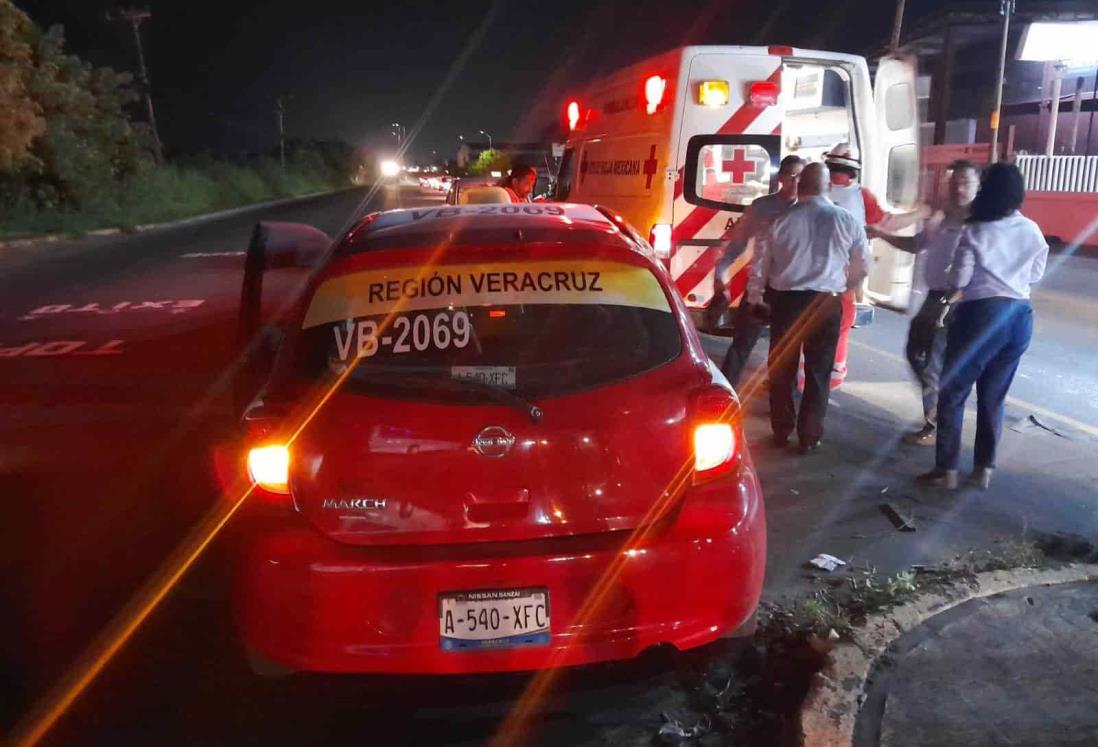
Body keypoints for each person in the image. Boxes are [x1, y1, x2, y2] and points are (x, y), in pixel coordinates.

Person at [918, 163, 1048, 490]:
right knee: (993, 396)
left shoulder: (975, 230)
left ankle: (946, 469)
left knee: (953, 391)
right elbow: (1035, 275)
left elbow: (959, 279)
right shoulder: (1031, 229)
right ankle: (983, 469)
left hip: (982, 315)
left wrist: (951, 283)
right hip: (1020, 317)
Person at [748, 162, 872, 454]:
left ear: (800, 186)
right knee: (819, 371)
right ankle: (810, 436)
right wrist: (845, 285)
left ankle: (781, 430)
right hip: (826, 303)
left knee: (782, 369)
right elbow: (863, 264)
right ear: (827, 187)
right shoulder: (847, 220)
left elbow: (761, 267)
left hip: (786, 302)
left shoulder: (778, 221)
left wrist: (756, 299)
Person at [869, 160, 981, 445]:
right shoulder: (942, 216)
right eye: (955, 181)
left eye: (966, 182)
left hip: (959, 300)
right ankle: (936, 415)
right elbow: (917, 245)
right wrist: (882, 235)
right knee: (916, 351)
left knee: (932, 359)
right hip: (935, 297)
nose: (959, 187)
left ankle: (936, 423)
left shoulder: (981, 220)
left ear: (978, 184)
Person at [823, 143, 927, 389]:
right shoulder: (861, 196)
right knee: (840, 325)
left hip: (809, 278)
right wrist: (918, 214)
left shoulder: (812, 191)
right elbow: (887, 223)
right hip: (842, 279)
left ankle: (802, 380)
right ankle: (831, 382)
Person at [711, 155, 805, 388]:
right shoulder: (762, 207)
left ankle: (783, 402)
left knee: (785, 348)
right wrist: (720, 272)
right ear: (781, 177)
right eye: (792, 175)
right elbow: (738, 243)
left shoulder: (808, 209)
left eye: (801, 175)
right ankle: (724, 390)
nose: (796, 181)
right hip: (760, 287)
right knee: (742, 342)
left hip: (791, 289)